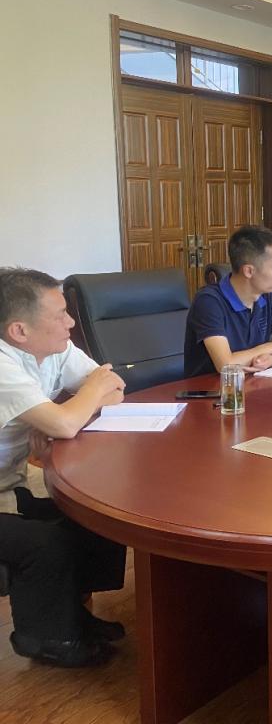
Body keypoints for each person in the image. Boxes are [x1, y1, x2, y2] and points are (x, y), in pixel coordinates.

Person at [0, 268, 128, 666]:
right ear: (19, 331)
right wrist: (78, 402)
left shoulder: (56, 348)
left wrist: (69, 410)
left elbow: (116, 389)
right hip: (5, 491)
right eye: (60, 314)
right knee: (45, 542)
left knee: (95, 511)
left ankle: (72, 617)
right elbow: (69, 420)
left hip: (8, 487)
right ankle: (48, 640)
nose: (71, 322)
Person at [184, 226, 272, 378]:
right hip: (213, 389)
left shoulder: (264, 297)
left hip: (253, 383)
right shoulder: (209, 302)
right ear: (249, 271)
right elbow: (226, 365)